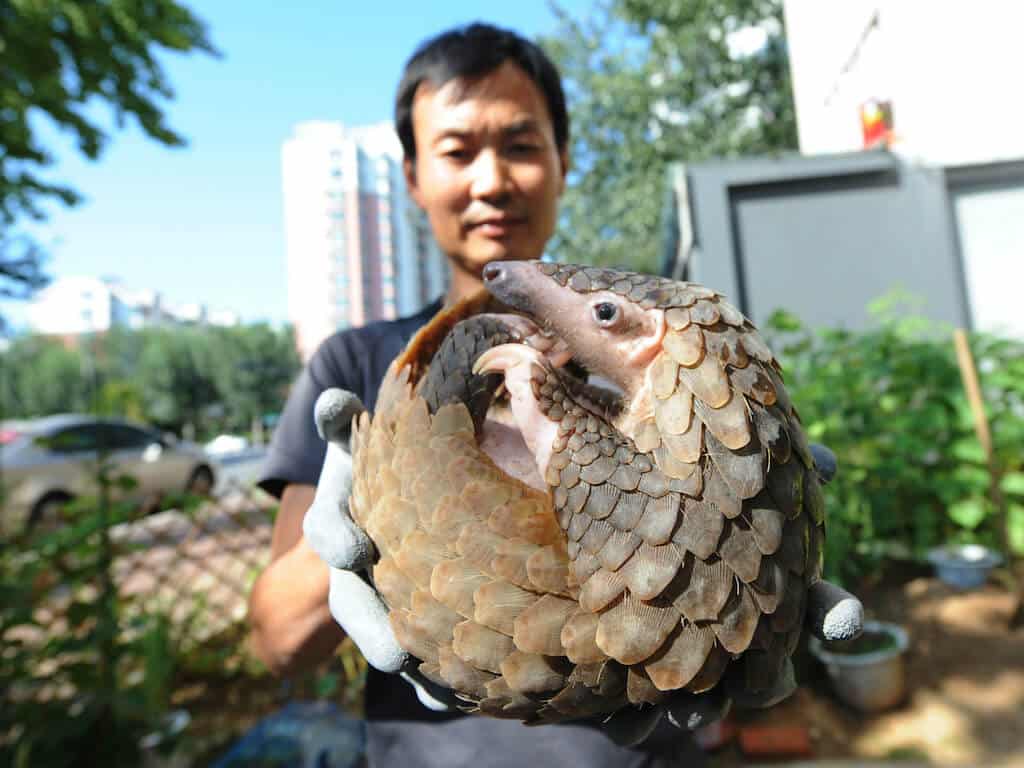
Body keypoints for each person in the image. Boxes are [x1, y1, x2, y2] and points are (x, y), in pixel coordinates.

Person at [248, 22, 862, 768]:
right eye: (457, 151)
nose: (491, 180)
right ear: (413, 178)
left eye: (520, 144)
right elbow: (275, 641)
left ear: (563, 161)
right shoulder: (355, 362)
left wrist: (756, 530)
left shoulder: (643, 354)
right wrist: (363, 524)